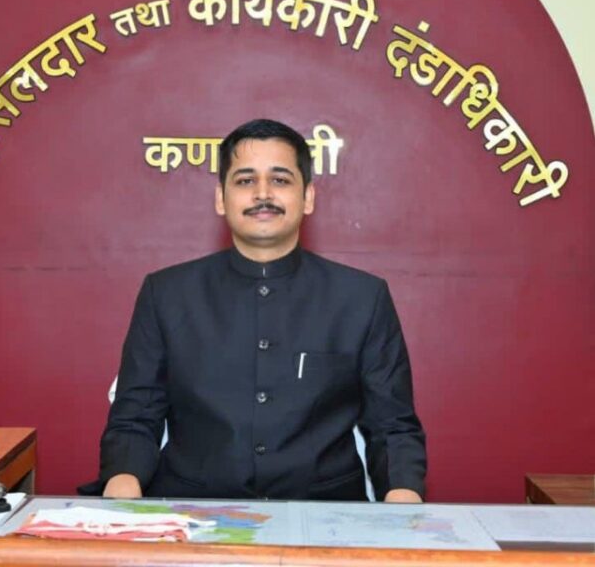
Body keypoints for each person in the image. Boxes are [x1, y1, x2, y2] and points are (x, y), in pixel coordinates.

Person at [97, 119, 426, 502]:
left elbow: (392, 426)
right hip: (194, 513)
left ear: (308, 197)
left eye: (281, 180)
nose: (263, 193)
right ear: (221, 198)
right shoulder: (167, 294)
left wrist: (403, 503)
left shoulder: (362, 297)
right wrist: (123, 490)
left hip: (324, 514)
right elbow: (136, 417)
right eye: (245, 180)